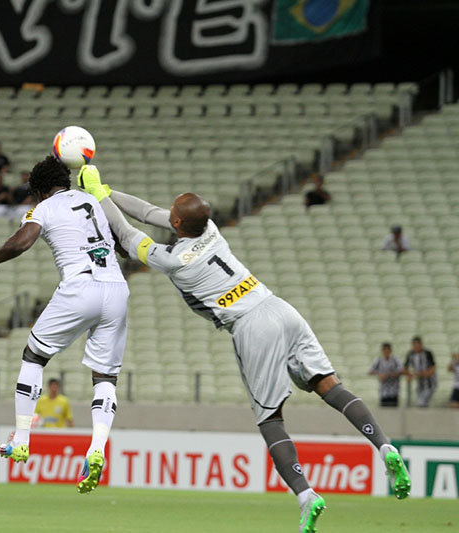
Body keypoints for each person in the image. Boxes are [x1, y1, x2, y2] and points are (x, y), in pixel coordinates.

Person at [75, 164, 411, 530]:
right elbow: (150, 212)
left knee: (270, 418)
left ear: (178, 223)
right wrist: (105, 191)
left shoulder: (173, 260)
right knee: (330, 384)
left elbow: (127, 231)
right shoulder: (213, 231)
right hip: (279, 307)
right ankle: (384, 446)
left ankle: (305, 494)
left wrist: (98, 194)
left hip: (251, 325)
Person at [0, 156, 128, 495]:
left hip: (81, 285)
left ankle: (21, 439)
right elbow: (122, 244)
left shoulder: (44, 208)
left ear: (38, 191)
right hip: (117, 287)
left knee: (34, 357)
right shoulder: (92, 201)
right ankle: (96, 448)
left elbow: (23, 241)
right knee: (105, 377)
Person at [368, 343, 405, 407]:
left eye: (388, 349)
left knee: (394, 410)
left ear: (390, 351)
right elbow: (370, 371)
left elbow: (401, 370)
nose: (386, 351)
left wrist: (388, 375)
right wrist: (380, 374)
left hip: (394, 391)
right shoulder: (379, 360)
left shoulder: (395, 360)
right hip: (383, 392)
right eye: (385, 350)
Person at [404, 336, 437, 408]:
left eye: (417, 345)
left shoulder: (427, 353)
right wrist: (410, 375)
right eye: (414, 345)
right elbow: (405, 368)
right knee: (421, 402)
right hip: (419, 383)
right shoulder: (410, 354)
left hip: (430, 383)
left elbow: (432, 370)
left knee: (422, 402)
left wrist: (420, 374)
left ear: (421, 345)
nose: (416, 347)